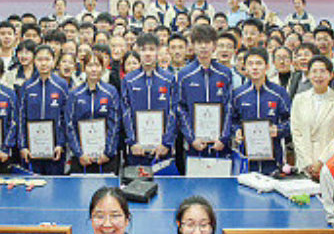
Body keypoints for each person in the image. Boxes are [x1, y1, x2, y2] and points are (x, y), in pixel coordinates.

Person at [176, 25, 233, 172]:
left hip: (220, 144)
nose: (203, 46)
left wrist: (224, 138)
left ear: (214, 46)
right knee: (195, 188)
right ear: (193, 45)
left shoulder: (225, 73)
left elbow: (229, 107)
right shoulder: (184, 74)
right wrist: (191, 138)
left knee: (221, 189)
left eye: (207, 42)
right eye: (199, 42)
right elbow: (180, 108)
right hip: (194, 144)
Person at [227, 47, 291, 174]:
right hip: (246, 159)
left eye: (259, 63)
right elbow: (231, 121)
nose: (255, 68)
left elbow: (291, 122)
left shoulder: (279, 93)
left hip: (273, 160)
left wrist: (278, 130)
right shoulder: (238, 94)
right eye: (250, 64)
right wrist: (237, 131)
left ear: (267, 66)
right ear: (245, 68)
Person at [121, 33, 178, 173]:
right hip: (137, 150)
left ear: (158, 51)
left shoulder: (169, 79)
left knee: (165, 189)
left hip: (162, 150)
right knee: (136, 189)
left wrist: (166, 143)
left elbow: (174, 112)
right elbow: (125, 112)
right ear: (138, 51)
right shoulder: (129, 80)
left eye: (152, 49)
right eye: (144, 49)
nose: (148, 54)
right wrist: (132, 142)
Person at [290, 55, 334, 180]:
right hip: (304, 166)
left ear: (331, 75)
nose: (318, 76)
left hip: (330, 164)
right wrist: (307, 163)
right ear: (309, 75)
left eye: (323, 71)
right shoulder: (299, 99)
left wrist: (321, 162)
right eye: (314, 72)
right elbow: (296, 133)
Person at [66, 50, 121, 174]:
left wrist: (108, 152)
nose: (94, 69)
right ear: (84, 68)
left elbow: (115, 123)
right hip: (82, 158)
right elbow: (70, 125)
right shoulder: (74, 94)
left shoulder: (111, 92)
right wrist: (79, 153)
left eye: (97, 65)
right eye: (90, 65)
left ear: (103, 68)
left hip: (106, 158)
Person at [18, 45, 68, 175]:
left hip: (55, 149)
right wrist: (23, 145)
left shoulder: (61, 85)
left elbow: (65, 117)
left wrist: (61, 144)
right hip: (31, 149)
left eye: (47, 59)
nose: (43, 63)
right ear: (34, 61)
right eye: (40, 59)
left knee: (55, 187)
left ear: (53, 61)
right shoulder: (27, 86)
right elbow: (21, 117)